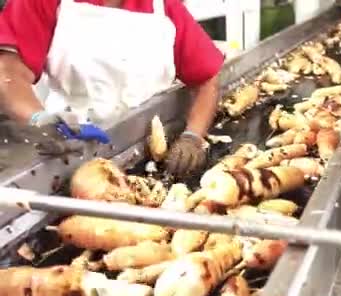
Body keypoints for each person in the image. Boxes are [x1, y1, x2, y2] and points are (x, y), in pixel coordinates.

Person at [0, 0, 224, 177]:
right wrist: (40, 119)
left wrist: (193, 135)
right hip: (68, 148)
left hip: (144, 156)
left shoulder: (163, 8)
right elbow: (9, 73)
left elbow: (207, 79)